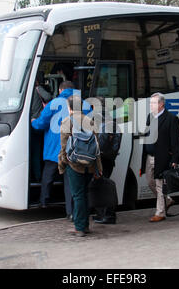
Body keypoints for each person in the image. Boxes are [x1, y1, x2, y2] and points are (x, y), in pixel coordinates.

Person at [31, 81, 81, 218]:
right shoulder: (83, 103)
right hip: (73, 148)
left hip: (55, 148)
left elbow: (40, 124)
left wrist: (32, 121)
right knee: (70, 181)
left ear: (60, 90)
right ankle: (71, 212)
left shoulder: (54, 103)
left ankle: (44, 201)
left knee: (48, 175)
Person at [59, 95, 103, 237]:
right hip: (89, 164)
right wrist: (98, 168)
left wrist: (62, 164)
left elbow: (64, 147)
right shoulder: (90, 121)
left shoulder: (67, 121)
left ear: (70, 107)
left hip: (74, 165)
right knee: (84, 194)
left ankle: (79, 227)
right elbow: (96, 147)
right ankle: (85, 225)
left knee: (77, 195)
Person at [140, 92, 179, 222]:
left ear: (161, 104)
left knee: (159, 184)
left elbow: (176, 142)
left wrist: (175, 160)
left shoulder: (171, 119)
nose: (151, 105)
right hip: (149, 156)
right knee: (150, 181)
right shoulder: (149, 117)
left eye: (153, 103)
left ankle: (160, 212)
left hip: (162, 157)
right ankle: (167, 200)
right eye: (150, 103)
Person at [92, 97, 122, 224]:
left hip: (100, 159)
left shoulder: (97, 120)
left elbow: (97, 141)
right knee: (102, 184)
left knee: (102, 186)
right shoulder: (112, 121)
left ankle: (108, 215)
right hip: (109, 159)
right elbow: (116, 143)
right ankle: (103, 214)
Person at [30, 76, 52, 182]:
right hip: (38, 123)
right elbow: (48, 97)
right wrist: (39, 88)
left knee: (34, 150)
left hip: (29, 124)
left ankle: (34, 174)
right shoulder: (36, 89)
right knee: (38, 150)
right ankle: (39, 175)